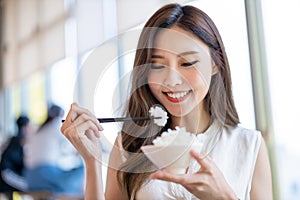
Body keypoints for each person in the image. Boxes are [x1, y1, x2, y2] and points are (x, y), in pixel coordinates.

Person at [61, 3, 273, 200]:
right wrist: (91, 162)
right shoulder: (128, 145)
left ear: (216, 64)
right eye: (157, 65)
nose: (171, 80)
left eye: (187, 63)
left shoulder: (248, 145)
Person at [24, 104, 84, 197]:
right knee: (80, 171)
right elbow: (72, 141)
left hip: (30, 179)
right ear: (60, 115)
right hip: (44, 175)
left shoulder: (39, 130)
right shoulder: (55, 125)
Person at [0, 115, 33, 198]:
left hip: (7, 173)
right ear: (25, 126)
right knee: (32, 187)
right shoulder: (21, 140)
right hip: (7, 173)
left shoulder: (12, 139)